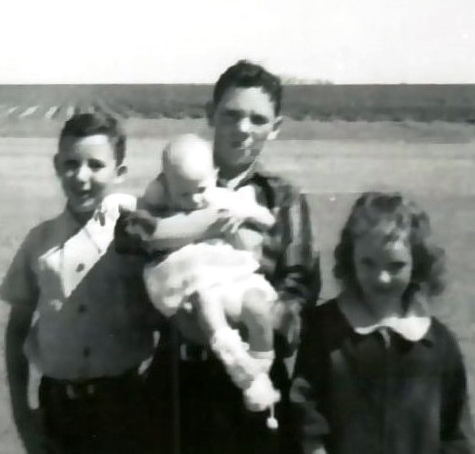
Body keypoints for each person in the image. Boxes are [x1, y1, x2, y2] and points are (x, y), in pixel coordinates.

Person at [115, 60, 321, 453]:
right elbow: (129, 242)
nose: (243, 128)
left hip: (252, 379)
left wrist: (255, 321)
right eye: (231, 114)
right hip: (177, 378)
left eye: (258, 119)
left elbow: (300, 291)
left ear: (275, 127)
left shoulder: (283, 199)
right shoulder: (171, 182)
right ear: (211, 114)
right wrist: (203, 226)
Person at [0, 112, 159, 454]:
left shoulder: (139, 233)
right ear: (57, 166)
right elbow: (16, 331)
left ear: (119, 172)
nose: (81, 176)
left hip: (126, 407)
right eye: (71, 164)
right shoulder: (40, 241)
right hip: (58, 410)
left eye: (96, 165)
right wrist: (23, 415)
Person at [290, 192, 475, 454]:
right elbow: (304, 415)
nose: (382, 277)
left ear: (417, 262)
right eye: (368, 263)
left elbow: (456, 434)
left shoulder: (437, 343)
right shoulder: (325, 329)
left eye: (396, 265)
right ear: (350, 259)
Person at [124, 133, 281, 424]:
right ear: (165, 185)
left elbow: (265, 220)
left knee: (257, 306)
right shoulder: (161, 208)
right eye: (183, 194)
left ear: (214, 176)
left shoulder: (222, 198)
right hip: (191, 277)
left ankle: (261, 368)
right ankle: (237, 363)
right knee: (207, 306)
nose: (195, 200)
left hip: (229, 272)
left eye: (201, 190)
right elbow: (143, 227)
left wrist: (242, 213)